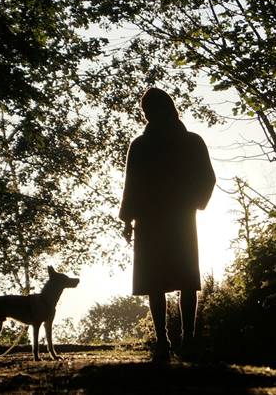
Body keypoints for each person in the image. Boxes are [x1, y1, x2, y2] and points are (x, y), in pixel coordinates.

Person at [119, 87, 216, 362]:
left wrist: (128, 218)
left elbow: (132, 185)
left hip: (161, 219)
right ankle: (176, 339)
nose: (149, 114)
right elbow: (133, 186)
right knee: (169, 279)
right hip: (171, 219)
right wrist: (193, 202)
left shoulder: (144, 145)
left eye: (150, 109)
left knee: (168, 279)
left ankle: (177, 339)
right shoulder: (189, 142)